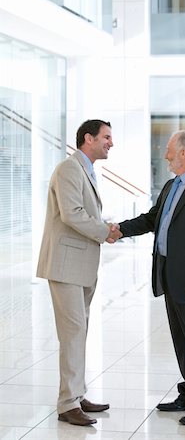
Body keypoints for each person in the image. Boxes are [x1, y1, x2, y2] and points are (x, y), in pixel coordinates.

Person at [114, 129, 185, 426]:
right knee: (183, 342)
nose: (164, 154)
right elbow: (153, 219)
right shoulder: (170, 186)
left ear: (183, 153)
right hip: (170, 279)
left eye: (168, 149)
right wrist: (119, 230)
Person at [36, 119, 122, 426]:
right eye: (106, 137)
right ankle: (67, 403)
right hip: (65, 265)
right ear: (88, 138)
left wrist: (105, 227)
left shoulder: (86, 170)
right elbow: (73, 213)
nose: (111, 142)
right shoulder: (69, 169)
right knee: (73, 334)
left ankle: (76, 393)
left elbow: (81, 212)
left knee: (79, 332)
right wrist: (105, 231)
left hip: (80, 265)